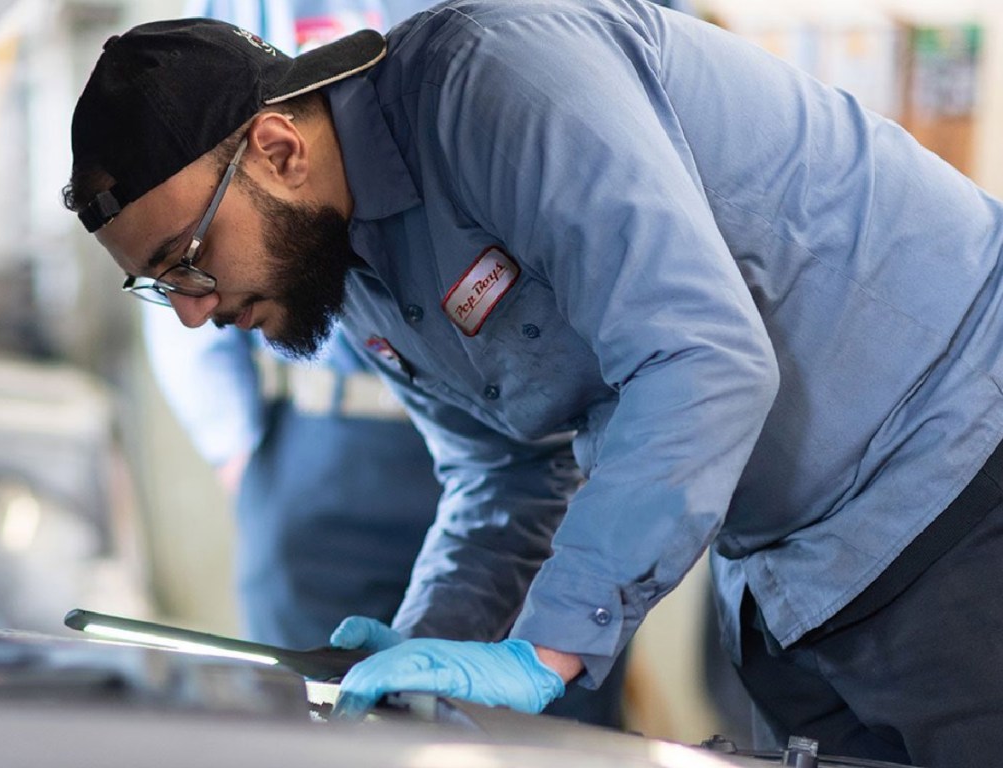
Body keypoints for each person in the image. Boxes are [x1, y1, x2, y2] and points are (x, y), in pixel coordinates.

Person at [63, 1, 1003, 763]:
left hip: (957, 476)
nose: (190, 312)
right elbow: (503, 473)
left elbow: (704, 357)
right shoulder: (349, 261)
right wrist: (426, 664)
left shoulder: (497, 81)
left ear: (278, 148)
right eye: (158, 283)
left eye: (189, 258)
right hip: (793, 573)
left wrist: (546, 647)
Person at [141, 0, 631, 728]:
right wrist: (236, 447)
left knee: (552, 713)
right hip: (325, 442)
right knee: (327, 719)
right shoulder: (224, 19)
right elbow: (172, 213)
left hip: (541, 438)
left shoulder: (499, 46)